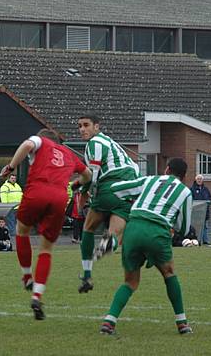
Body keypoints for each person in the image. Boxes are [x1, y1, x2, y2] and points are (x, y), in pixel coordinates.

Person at [1, 128, 92, 320]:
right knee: (46, 248)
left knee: (22, 230)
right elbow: (88, 175)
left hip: (37, 190)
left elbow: (26, 145)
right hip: (60, 197)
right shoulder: (68, 153)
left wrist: (10, 167)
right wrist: (74, 185)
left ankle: (27, 276)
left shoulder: (40, 141)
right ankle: (37, 295)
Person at [100, 157, 193, 336]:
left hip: (133, 227)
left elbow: (117, 189)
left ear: (166, 170)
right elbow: (185, 227)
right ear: (184, 176)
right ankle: (182, 323)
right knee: (168, 273)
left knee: (130, 281)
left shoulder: (151, 179)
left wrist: (132, 199)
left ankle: (109, 321)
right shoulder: (185, 192)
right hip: (158, 231)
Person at [75, 114, 139, 294]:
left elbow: (93, 172)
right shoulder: (112, 143)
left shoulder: (94, 143)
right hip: (128, 189)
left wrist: (85, 192)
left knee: (88, 228)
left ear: (96, 127)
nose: (82, 129)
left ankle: (87, 275)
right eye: (79, 126)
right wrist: (81, 184)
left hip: (108, 187)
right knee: (115, 232)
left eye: (86, 125)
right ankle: (110, 241)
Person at [190, 174, 211, 247]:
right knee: (195, 226)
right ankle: (196, 240)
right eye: (198, 179)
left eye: (200, 179)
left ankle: (205, 241)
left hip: (204, 212)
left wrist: (208, 202)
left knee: (205, 227)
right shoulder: (192, 189)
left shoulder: (205, 189)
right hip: (196, 212)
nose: (199, 180)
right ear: (196, 180)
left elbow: (209, 198)